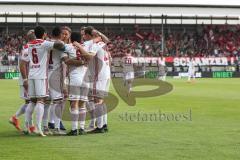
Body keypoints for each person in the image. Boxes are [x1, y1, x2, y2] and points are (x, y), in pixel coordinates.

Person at [23, 26, 65, 137]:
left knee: (32, 101)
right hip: (41, 76)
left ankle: (27, 127)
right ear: (44, 34)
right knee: (41, 100)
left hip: (31, 74)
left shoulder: (30, 44)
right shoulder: (45, 43)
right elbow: (60, 45)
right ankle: (38, 127)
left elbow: (24, 60)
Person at [9, 30, 36, 133]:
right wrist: (26, 79)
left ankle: (27, 124)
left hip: (26, 77)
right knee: (31, 102)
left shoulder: (26, 47)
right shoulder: (30, 48)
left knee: (30, 101)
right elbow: (23, 64)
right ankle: (28, 126)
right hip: (27, 78)